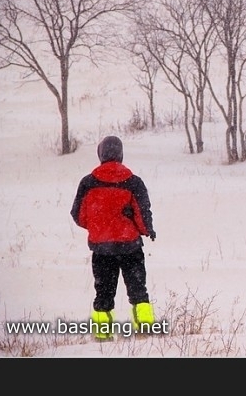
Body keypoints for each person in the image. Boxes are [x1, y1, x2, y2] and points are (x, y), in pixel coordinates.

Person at [70, 135, 157, 340]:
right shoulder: (133, 182)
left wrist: (98, 226)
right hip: (130, 247)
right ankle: (145, 332)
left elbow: (78, 214)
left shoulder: (88, 183)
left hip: (102, 249)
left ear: (100, 154)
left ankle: (102, 337)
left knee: (103, 295)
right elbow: (143, 213)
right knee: (138, 292)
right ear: (121, 154)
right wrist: (146, 230)